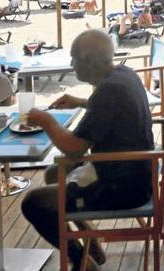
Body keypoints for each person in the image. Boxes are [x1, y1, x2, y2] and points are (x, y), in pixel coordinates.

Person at [21, 30, 153, 270]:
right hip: (136, 172)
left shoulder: (108, 91)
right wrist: (81, 102)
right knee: (54, 173)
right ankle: (91, 246)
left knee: (34, 203)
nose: (72, 65)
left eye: (75, 59)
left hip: (123, 188)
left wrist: (47, 121)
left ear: (89, 61)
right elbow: (113, 110)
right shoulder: (123, 74)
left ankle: (83, 262)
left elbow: (73, 149)